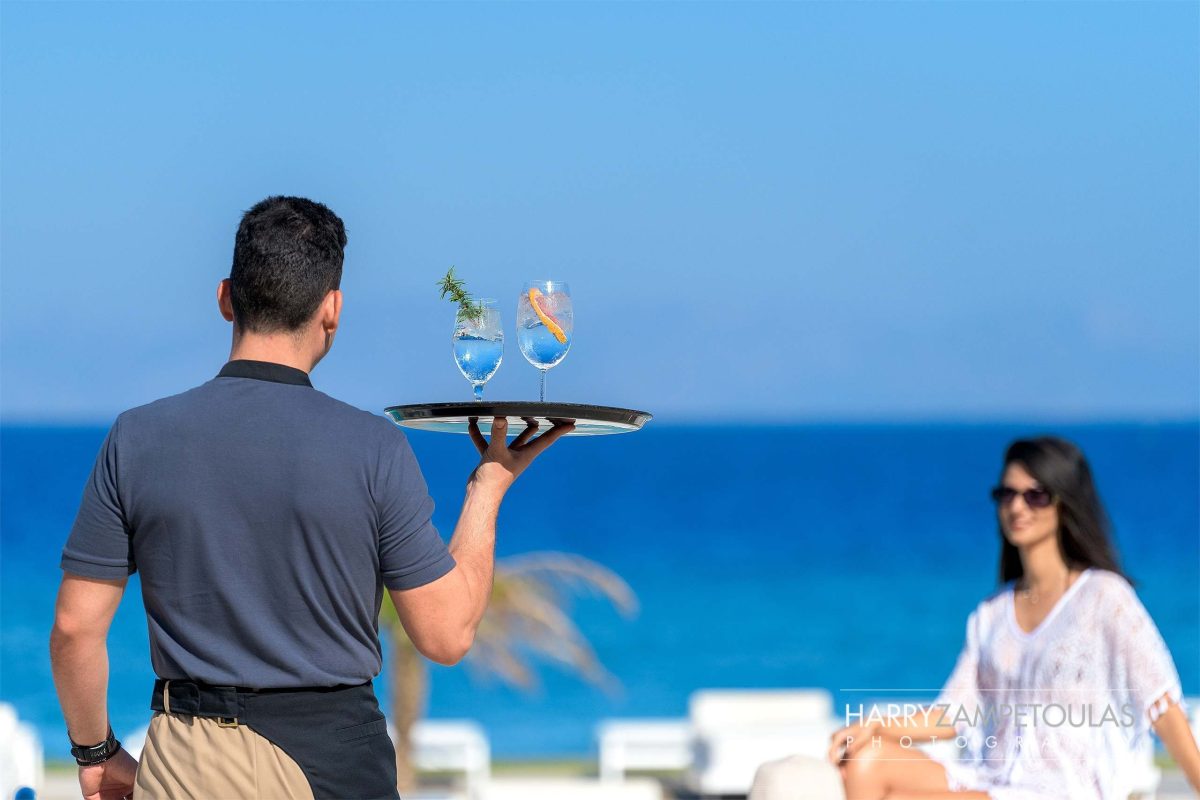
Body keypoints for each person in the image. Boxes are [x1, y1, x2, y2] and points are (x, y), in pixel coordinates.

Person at [48, 195, 572, 800]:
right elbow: (447, 635)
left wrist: (97, 753)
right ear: (332, 310)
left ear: (226, 298)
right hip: (334, 762)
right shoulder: (373, 448)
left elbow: (74, 628)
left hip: (189, 757)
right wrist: (487, 489)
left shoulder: (136, 438)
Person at [827, 436, 1200, 800]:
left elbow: (1161, 705)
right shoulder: (990, 614)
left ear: (1064, 503)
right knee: (867, 759)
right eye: (1007, 494)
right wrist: (877, 726)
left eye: (1035, 495)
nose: (1018, 507)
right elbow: (952, 714)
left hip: (1063, 790)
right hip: (993, 779)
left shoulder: (1104, 596)